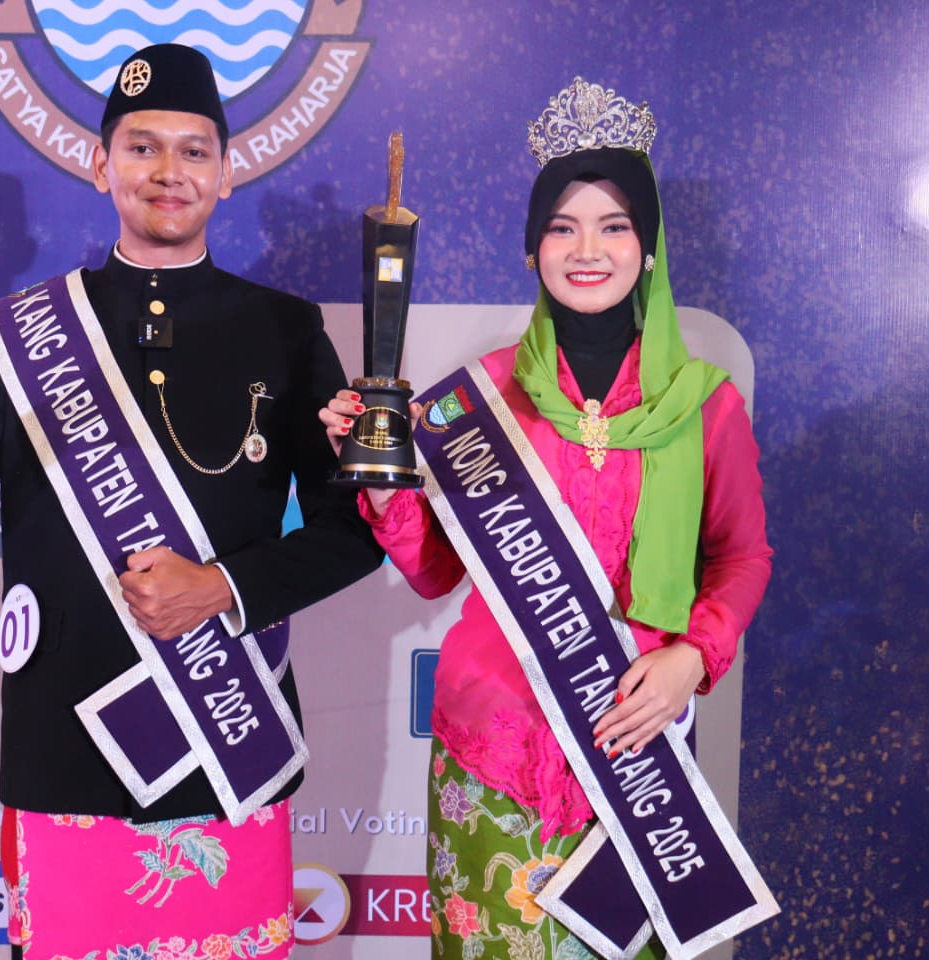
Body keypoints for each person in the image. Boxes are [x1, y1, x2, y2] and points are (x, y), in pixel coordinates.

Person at [0, 43, 382, 960]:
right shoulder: (27, 332)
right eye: (141, 147)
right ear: (101, 166)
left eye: (193, 150)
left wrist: (220, 589)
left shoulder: (286, 330)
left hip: (226, 749)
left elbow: (354, 531)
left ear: (226, 172)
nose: (168, 170)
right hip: (64, 755)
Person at [322, 78, 771, 958]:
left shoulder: (705, 403)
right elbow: (435, 570)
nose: (587, 249)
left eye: (615, 226)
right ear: (534, 251)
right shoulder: (480, 398)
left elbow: (742, 557)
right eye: (563, 228)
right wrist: (380, 480)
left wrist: (693, 655)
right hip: (491, 758)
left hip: (636, 753)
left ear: (649, 249)